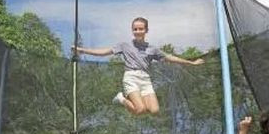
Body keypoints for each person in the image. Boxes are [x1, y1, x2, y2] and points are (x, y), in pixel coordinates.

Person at [75, 17, 204, 115]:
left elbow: (170, 57)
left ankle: (133, 100)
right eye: (135, 29)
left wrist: (191, 63)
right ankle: (121, 98)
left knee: (154, 110)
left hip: (145, 79)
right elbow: (104, 52)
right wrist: (83, 50)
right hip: (131, 78)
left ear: (146, 30)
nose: (137, 31)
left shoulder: (152, 49)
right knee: (140, 110)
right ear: (132, 30)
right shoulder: (124, 45)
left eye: (140, 29)